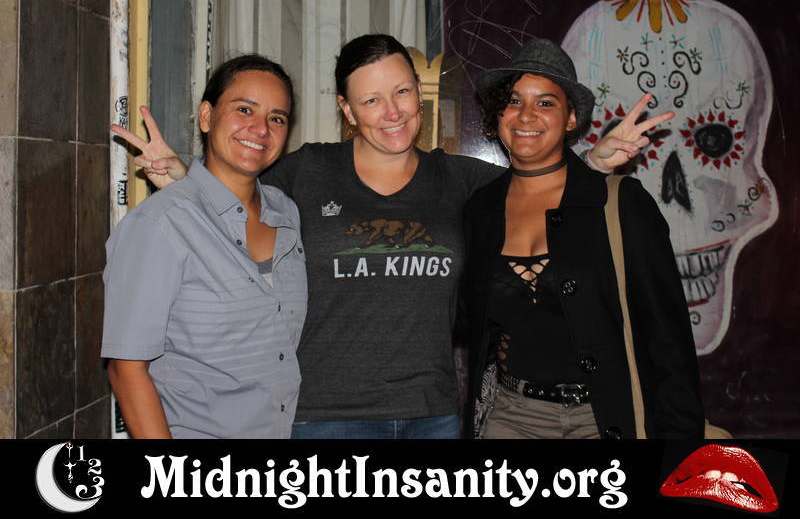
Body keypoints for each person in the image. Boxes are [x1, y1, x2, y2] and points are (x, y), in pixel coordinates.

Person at [113, 34, 669, 439]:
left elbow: (539, 191)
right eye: (371, 99)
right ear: (346, 109)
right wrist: (184, 179)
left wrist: (594, 162)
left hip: (433, 415)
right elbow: (234, 196)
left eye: (402, 92)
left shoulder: (462, 181)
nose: (392, 112)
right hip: (323, 418)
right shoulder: (305, 172)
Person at [461, 37, 704, 439]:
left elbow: (668, 341)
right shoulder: (480, 209)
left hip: (604, 417)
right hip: (512, 417)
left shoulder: (620, 203)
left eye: (545, 103)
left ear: (571, 118)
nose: (526, 115)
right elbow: (466, 320)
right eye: (514, 100)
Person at [102, 55, 307, 438]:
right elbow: (126, 369)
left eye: (277, 118)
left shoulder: (286, 213)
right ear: (207, 116)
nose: (261, 128)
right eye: (244, 109)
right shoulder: (159, 226)